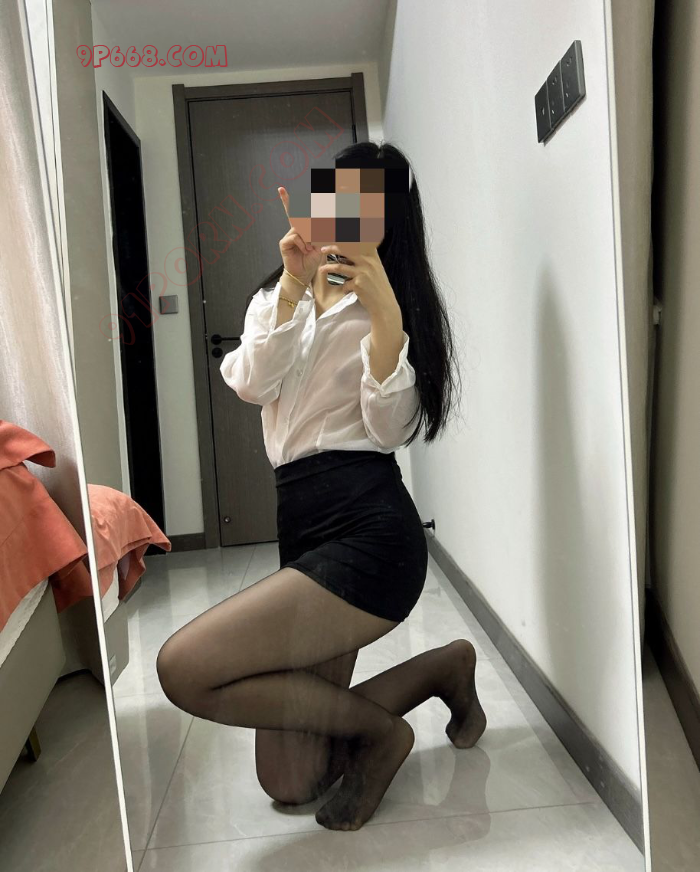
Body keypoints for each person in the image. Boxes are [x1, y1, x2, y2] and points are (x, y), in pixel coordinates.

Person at [155, 141, 486, 832]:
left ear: (388, 218)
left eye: (364, 202)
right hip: (302, 528)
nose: (343, 212)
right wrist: (292, 284)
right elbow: (251, 383)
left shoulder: (394, 307)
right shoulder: (277, 294)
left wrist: (386, 319)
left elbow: (389, 430)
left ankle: (384, 738)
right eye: (336, 194)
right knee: (291, 781)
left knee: (184, 667)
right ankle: (442, 671)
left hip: (372, 534)